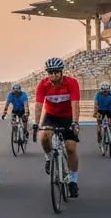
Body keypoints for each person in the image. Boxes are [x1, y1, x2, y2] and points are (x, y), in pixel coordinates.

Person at [33, 56, 81, 197]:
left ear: (61, 72)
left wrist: (75, 122)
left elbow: (75, 104)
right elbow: (38, 106)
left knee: (71, 148)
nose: (53, 75)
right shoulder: (42, 84)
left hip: (67, 116)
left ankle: (73, 181)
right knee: (44, 137)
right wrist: (36, 123)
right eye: (50, 72)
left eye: (56, 72)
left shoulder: (71, 83)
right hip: (51, 116)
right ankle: (49, 157)